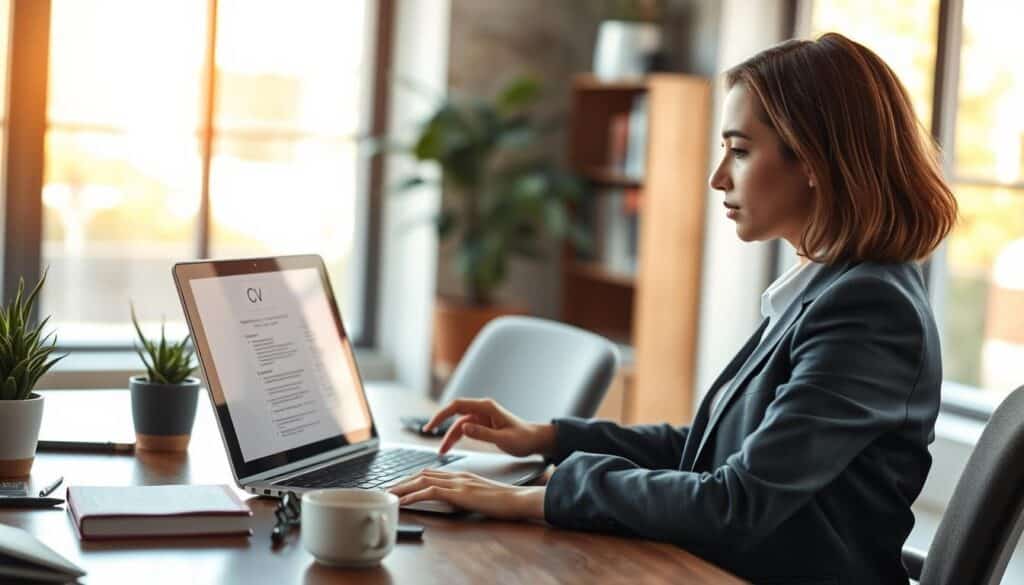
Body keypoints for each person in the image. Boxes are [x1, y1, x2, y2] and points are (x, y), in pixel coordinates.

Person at [390, 32, 958, 584]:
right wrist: (549, 439)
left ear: (811, 159)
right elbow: (710, 450)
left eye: (739, 151)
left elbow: (734, 501)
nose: (717, 178)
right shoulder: (827, 287)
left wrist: (536, 497)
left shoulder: (868, 310)